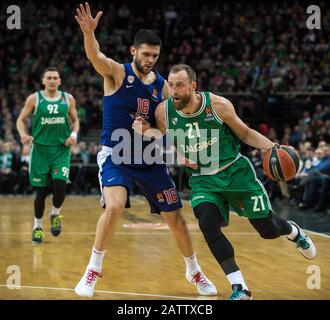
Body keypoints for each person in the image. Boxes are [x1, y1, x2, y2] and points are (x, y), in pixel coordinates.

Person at [133, 64, 316, 300]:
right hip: (203, 180)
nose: (174, 90)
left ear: (193, 86)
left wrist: (272, 146)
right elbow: (163, 135)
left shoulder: (218, 105)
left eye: (179, 85)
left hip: (235, 172)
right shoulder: (163, 112)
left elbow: (246, 133)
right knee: (207, 222)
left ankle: (293, 231)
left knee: (268, 230)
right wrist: (152, 136)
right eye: (170, 84)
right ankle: (240, 287)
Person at [74, 3, 216, 297]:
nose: (150, 59)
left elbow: (166, 128)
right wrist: (89, 34)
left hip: (149, 157)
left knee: (175, 218)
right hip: (116, 154)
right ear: (133, 51)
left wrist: (179, 150)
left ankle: (194, 271)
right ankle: (92, 271)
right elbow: (94, 55)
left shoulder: (163, 87)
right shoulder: (116, 73)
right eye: (146, 53)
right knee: (114, 206)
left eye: (155, 55)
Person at [16, 66, 80, 244]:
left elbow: (75, 121)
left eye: (55, 78)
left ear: (59, 81)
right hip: (40, 151)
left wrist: (73, 135)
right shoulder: (34, 98)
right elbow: (20, 119)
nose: (52, 81)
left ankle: (55, 213)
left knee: (60, 185)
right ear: (43, 80)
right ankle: (37, 227)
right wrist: (23, 134)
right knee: (41, 193)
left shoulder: (68, 99)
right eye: (49, 78)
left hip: (61, 150)